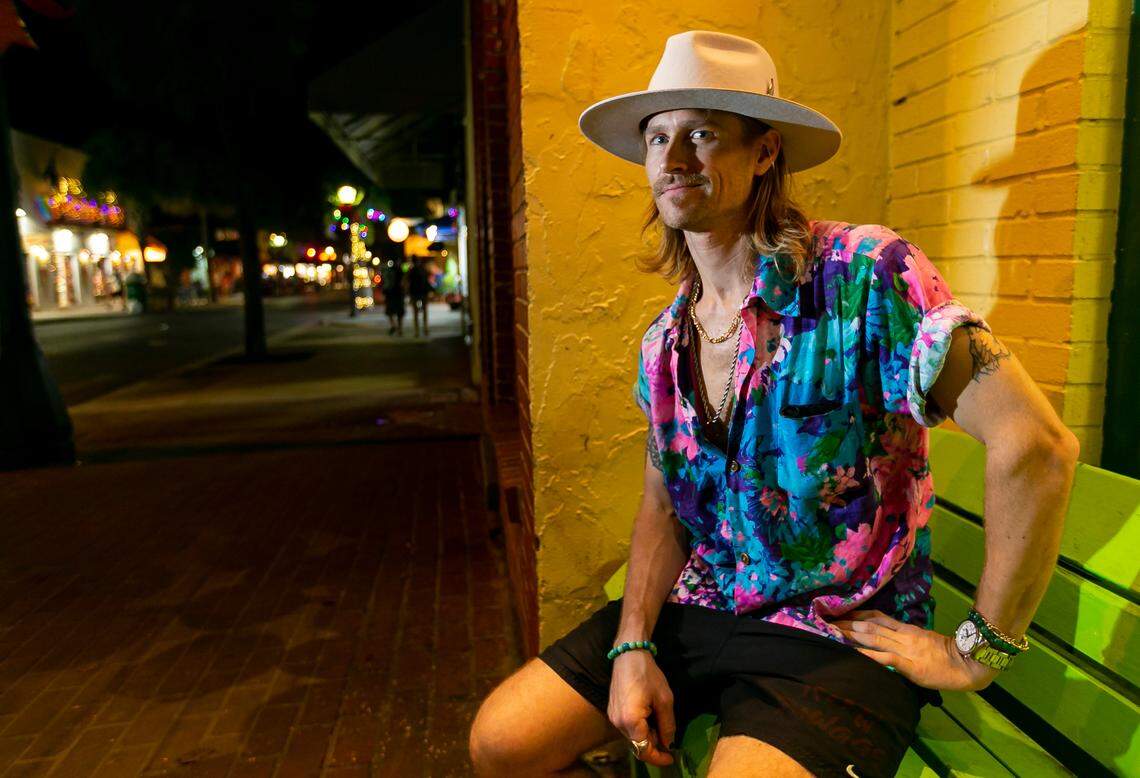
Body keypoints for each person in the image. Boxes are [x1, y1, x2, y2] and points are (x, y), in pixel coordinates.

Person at [469, 30, 1080, 778]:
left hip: (833, 635)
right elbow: (661, 508)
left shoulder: (862, 275)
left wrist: (974, 652)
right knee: (500, 743)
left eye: (703, 132)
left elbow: (1037, 447)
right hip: (699, 606)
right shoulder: (666, 342)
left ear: (764, 153)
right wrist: (631, 646)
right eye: (658, 137)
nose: (675, 157)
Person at [408, 256, 433, 337]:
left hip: (414, 293)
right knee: (425, 310)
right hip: (423, 292)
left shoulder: (411, 271)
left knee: (415, 312)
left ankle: (417, 331)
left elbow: (408, 282)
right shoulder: (423, 270)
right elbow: (427, 280)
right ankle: (425, 328)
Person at [383, 258, 405, 335]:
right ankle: (400, 329)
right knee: (399, 312)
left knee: (390, 311)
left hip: (390, 293)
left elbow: (385, 283)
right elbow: (403, 283)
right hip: (398, 293)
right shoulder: (400, 271)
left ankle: (393, 325)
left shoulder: (388, 270)